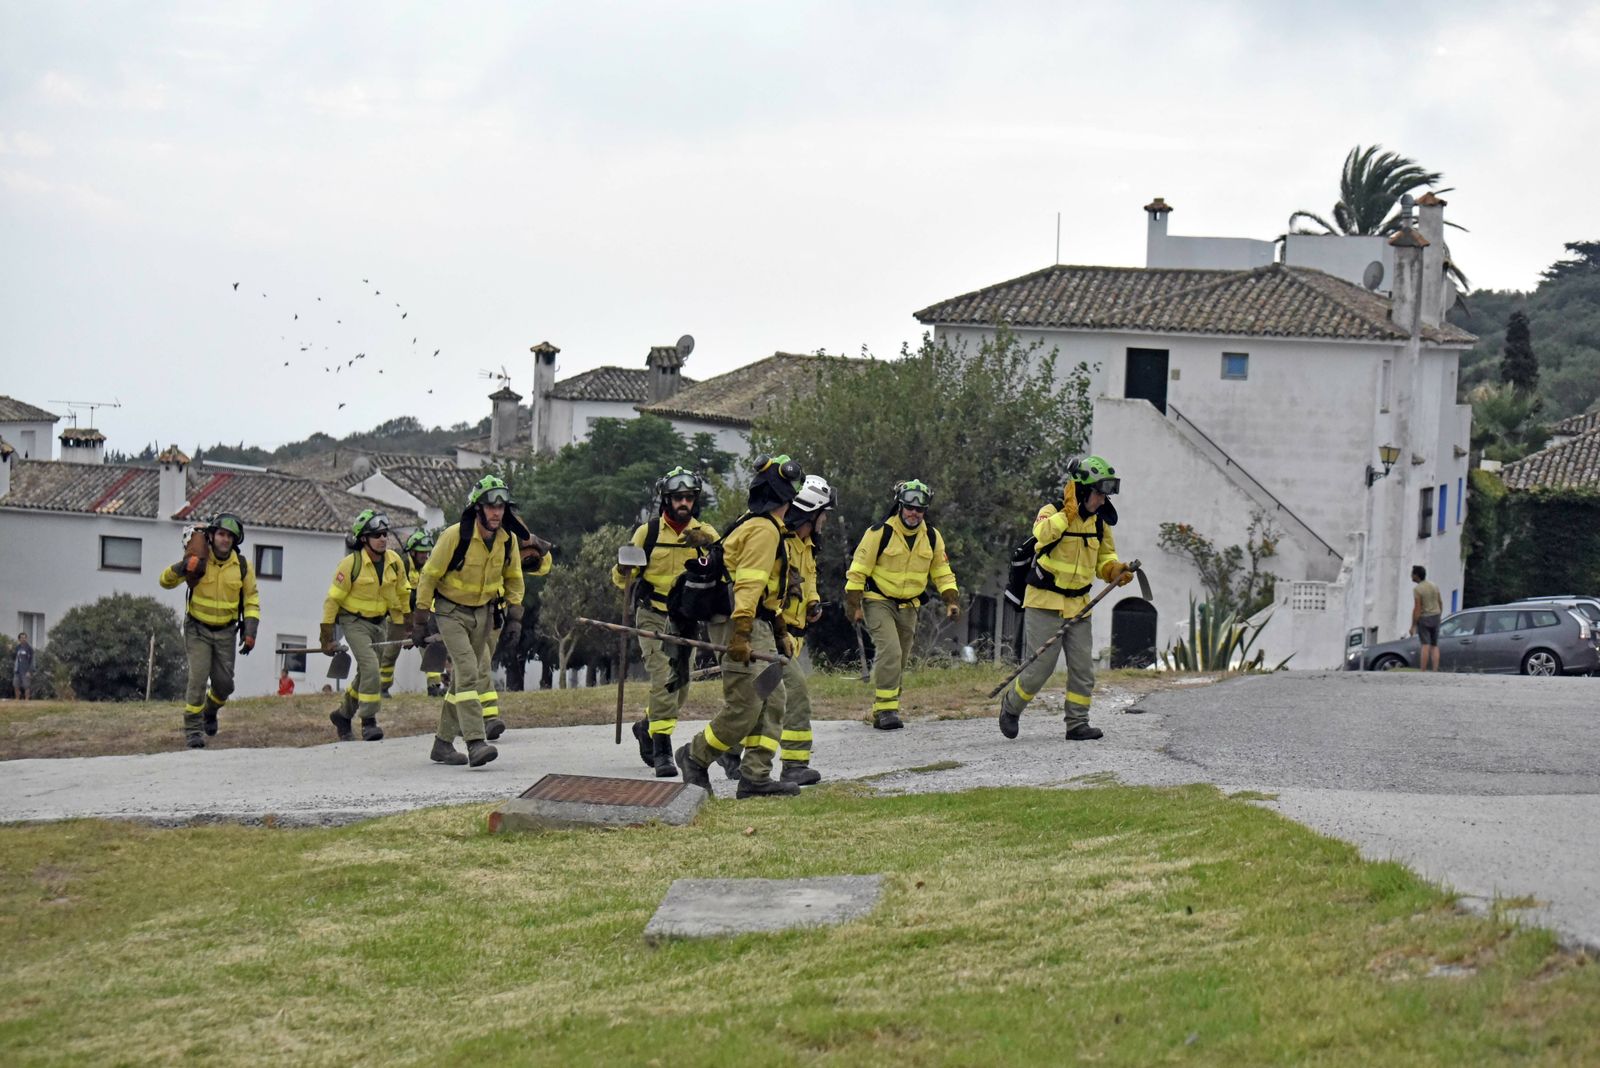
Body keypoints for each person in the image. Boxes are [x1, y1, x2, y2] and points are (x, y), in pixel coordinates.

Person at [676, 455, 805, 799]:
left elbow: (768, 590)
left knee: (773, 699)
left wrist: (778, 630)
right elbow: (748, 585)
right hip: (739, 622)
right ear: (786, 495)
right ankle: (694, 756)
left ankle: (755, 777)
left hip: (754, 621)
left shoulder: (763, 526)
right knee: (745, 704)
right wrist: (742, 634)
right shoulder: (763, 530)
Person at [997, 456, 1134, 742]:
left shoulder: (1099, 524)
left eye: (1105, 495)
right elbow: (1041, 536)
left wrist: (1115, 570)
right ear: (1082, 491)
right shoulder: (1052, 511)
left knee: (1083, 668)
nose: (1102, 500)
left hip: (1079, 606)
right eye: (1098, 493)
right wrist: (1068, 513)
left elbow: (1104, 559)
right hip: (1044, 602)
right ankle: (1011, 706)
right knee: (1040, 669)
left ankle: (1077, 723)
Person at [713, 474, 835, 785]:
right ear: (811, 511)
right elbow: (761, 586)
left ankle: (729, 750)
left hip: (788, 632)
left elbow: (808, 582)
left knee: (762, 697)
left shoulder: (806, 544)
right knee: (793, 693)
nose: (824, 521)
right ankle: (792, 764)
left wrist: (814, 602)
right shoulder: (777, 539)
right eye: (823, 514)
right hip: (770, 629)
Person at [412, 474, 540, 767]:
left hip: (484, 613)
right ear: (477, 508)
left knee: (461, 681)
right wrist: (420, 620)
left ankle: (442, 745)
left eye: (502, 508)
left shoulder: (506, 541)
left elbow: (514, 579)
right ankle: (475, 742)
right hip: (450, 612)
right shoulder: (454, 536)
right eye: (491, 507)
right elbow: (429, 576)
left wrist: (516, 619)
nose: (497, 512)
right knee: (469, 671)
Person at [613, 466, 719, 777]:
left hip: (684, 621)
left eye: (689, 497)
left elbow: (725, 567)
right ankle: (662, 750)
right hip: (651, 614)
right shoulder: (648, 533)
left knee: (681, 685)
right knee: (663, 679)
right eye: (678, 498)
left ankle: (646, 726)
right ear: (666, 499)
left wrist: (710, 548)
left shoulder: (706, 533)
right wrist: (623, 569)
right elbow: (623, 579)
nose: (684, 503)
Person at [843, 479, 960, 730]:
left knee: (901, 658)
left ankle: (883, 706)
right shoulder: (879, 533)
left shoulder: (931, 536)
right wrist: (854, 605)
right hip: (878, 600)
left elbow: (942, 570)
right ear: (899, 506)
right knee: (891, 653)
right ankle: (886, 712)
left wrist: (951, 600)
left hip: (909, 606)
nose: (913, 513)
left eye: (919, 510)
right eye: (909, 507)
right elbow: (858, 572)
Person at [158, 512, 260, 749]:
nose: (225, 540)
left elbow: (252, 599)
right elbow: (165, 581)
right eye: (221, 534)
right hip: (197, 629)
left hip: (226, 632)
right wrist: (183, 567)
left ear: (235, 541)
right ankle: (193, 729)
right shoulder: (198, 559)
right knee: (198, 678)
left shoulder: (243, 566)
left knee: (225, 685)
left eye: (230, 536)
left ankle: (211, 710)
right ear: (212, 536)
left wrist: (251, 630)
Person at [322, 510, 410, 742]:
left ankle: (343, 715)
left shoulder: (394, 562)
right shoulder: (350, 565)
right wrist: (326, 637)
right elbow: (333, 601)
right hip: (354, 623)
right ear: (364, 539)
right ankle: (369, 722)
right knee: (372, 669)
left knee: (365, 675)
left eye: (384, 534)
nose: (383, 538)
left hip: (381, 623)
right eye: (376, 535)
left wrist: (406, 627)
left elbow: (402, 595)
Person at [400, 529, 447, 698]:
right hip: (400, 615)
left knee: (429, 647)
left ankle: (434, 686)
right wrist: (407, 625)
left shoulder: (430, 567)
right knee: (388, 655)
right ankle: (381, 686)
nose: (425, 556)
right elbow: (401, 594)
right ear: (412, 552)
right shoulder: (403, 566)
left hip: (422, 615)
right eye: (421, 552)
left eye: (427, 552)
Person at [1410, 565, 1443, 671]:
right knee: (1434, 645)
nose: (1411, 576)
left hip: (1425, 618)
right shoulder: (1434, 585)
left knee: (1425, 645)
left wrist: (1413, 625)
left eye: (1412, 574)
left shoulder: (1418, 589)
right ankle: (1435, 669)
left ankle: (1423, 670)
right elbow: (1440, 602)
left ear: (1416, 576)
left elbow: (1417, 608)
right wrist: (1439, 614)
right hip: (1436, 616)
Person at [12, 632, 33, 700]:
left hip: (25, 670)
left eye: (24, 638)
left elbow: (32, 661)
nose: (23, 639)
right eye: (22, 638)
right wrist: (10, 649)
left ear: (26, 639)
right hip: (17, 670)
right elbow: (14, 657)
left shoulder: (29, 648)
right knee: (16, 685)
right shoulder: (17, 647)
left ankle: (26, 699)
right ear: (19, 639)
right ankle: (17, 699)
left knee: (26, 686)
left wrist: (29, 671)